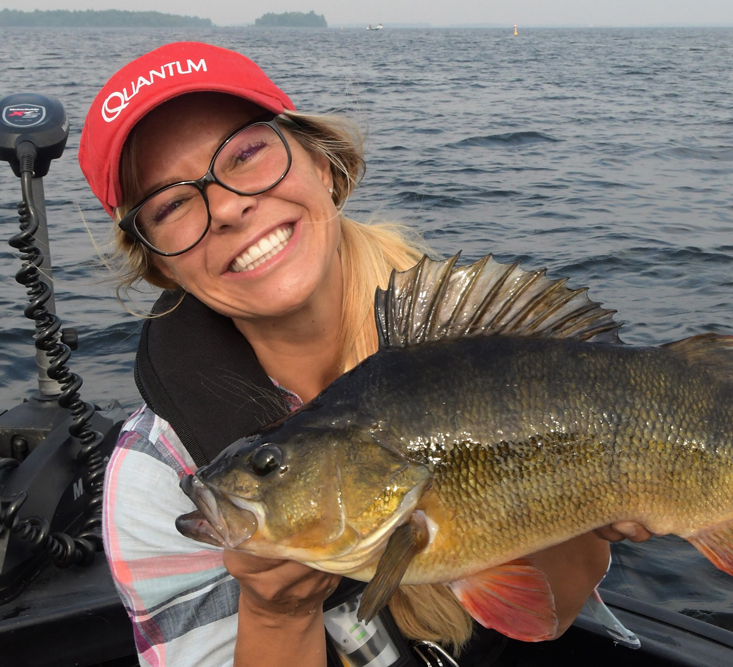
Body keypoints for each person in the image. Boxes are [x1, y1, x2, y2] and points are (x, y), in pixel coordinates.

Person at [81, 42, 651, 667]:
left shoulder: (467, 343)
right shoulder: (158, 478)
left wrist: (576, 489)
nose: (226, 207)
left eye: (246, 153)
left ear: (321, 164)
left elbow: (554, 610)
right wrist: (277, 615)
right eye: (171, 205)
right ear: (159, 265)